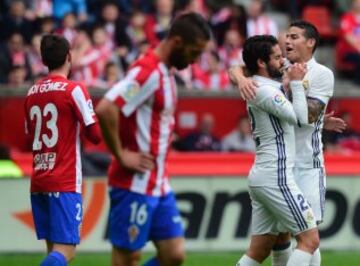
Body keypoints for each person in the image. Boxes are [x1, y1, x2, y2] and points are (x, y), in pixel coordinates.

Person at [95, 12, 211, 266]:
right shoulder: (148, 72)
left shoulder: (165, 72)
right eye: (194, 52)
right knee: (128, 258)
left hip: (158, 181)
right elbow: (106, 109)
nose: (194, 60)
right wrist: (120, 154)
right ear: (177, 42)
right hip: (133, 183)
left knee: (174, 254)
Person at [229, 21, 342, 266]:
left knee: (289, 239)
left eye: (294, 36)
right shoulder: (280, 74)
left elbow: (309, 116)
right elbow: (240, 65)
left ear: (310, 42)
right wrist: (240, 78)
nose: (287, 42)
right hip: (280, 170)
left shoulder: (321, 73)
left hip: (305, 165)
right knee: (302, 238)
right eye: (285, 38)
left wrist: (320, 121)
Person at [236, 35, 319, 266]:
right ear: (262, 63)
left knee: (260, 250)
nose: (283, 61)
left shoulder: (261, 85)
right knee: (309, 240)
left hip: (264, 175)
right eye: (277, 57)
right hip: (276, 175)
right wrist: (295, 83)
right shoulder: (263, 90)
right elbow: (300, 118)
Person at [24, 34, 101, 266]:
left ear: (44, 59)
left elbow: (29, 138)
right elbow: (95, 136)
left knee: (53, 253)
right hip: (65, 181)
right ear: (69, 56)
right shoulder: (74, 90)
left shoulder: (31, 93)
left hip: (39, 180)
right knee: (66, 252)